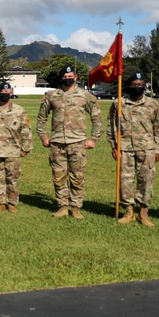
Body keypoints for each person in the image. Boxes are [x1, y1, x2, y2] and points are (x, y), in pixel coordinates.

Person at [36, 66, 102, 219]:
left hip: (78, 143)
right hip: (57, 142)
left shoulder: (85, 96)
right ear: (61, 78)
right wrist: (44, 136)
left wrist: (93, 138)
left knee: (77, 176)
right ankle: (62, 206)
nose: (67, 78)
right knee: (58, 176)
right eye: (65, 75)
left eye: (70, 75)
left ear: (76, 77)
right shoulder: (51, 96)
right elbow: (41, 118)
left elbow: (97, 118)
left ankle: (76, 207)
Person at [108, 73, 159, 226]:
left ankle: (144, 213)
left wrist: (158, 149)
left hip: (147, 148)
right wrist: (114, 145)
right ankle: (129, 212)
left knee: (146, 180)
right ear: (128, 86)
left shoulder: (153, 104)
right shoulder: (119, 103)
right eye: (134, 84)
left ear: (145, 86)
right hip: (124, 148)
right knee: (125, 180)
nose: (137, 87)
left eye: (140, 84)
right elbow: (112, 127)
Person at [0, 83, 32, 212]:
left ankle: (12, 203)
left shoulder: (19, 110)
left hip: (13, 150)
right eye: (2, 91)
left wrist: (25, 148)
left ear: (11, 93)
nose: (5, 93)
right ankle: (1, 202)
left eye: (7, 91)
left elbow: (26, 130)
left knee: (12, 178)